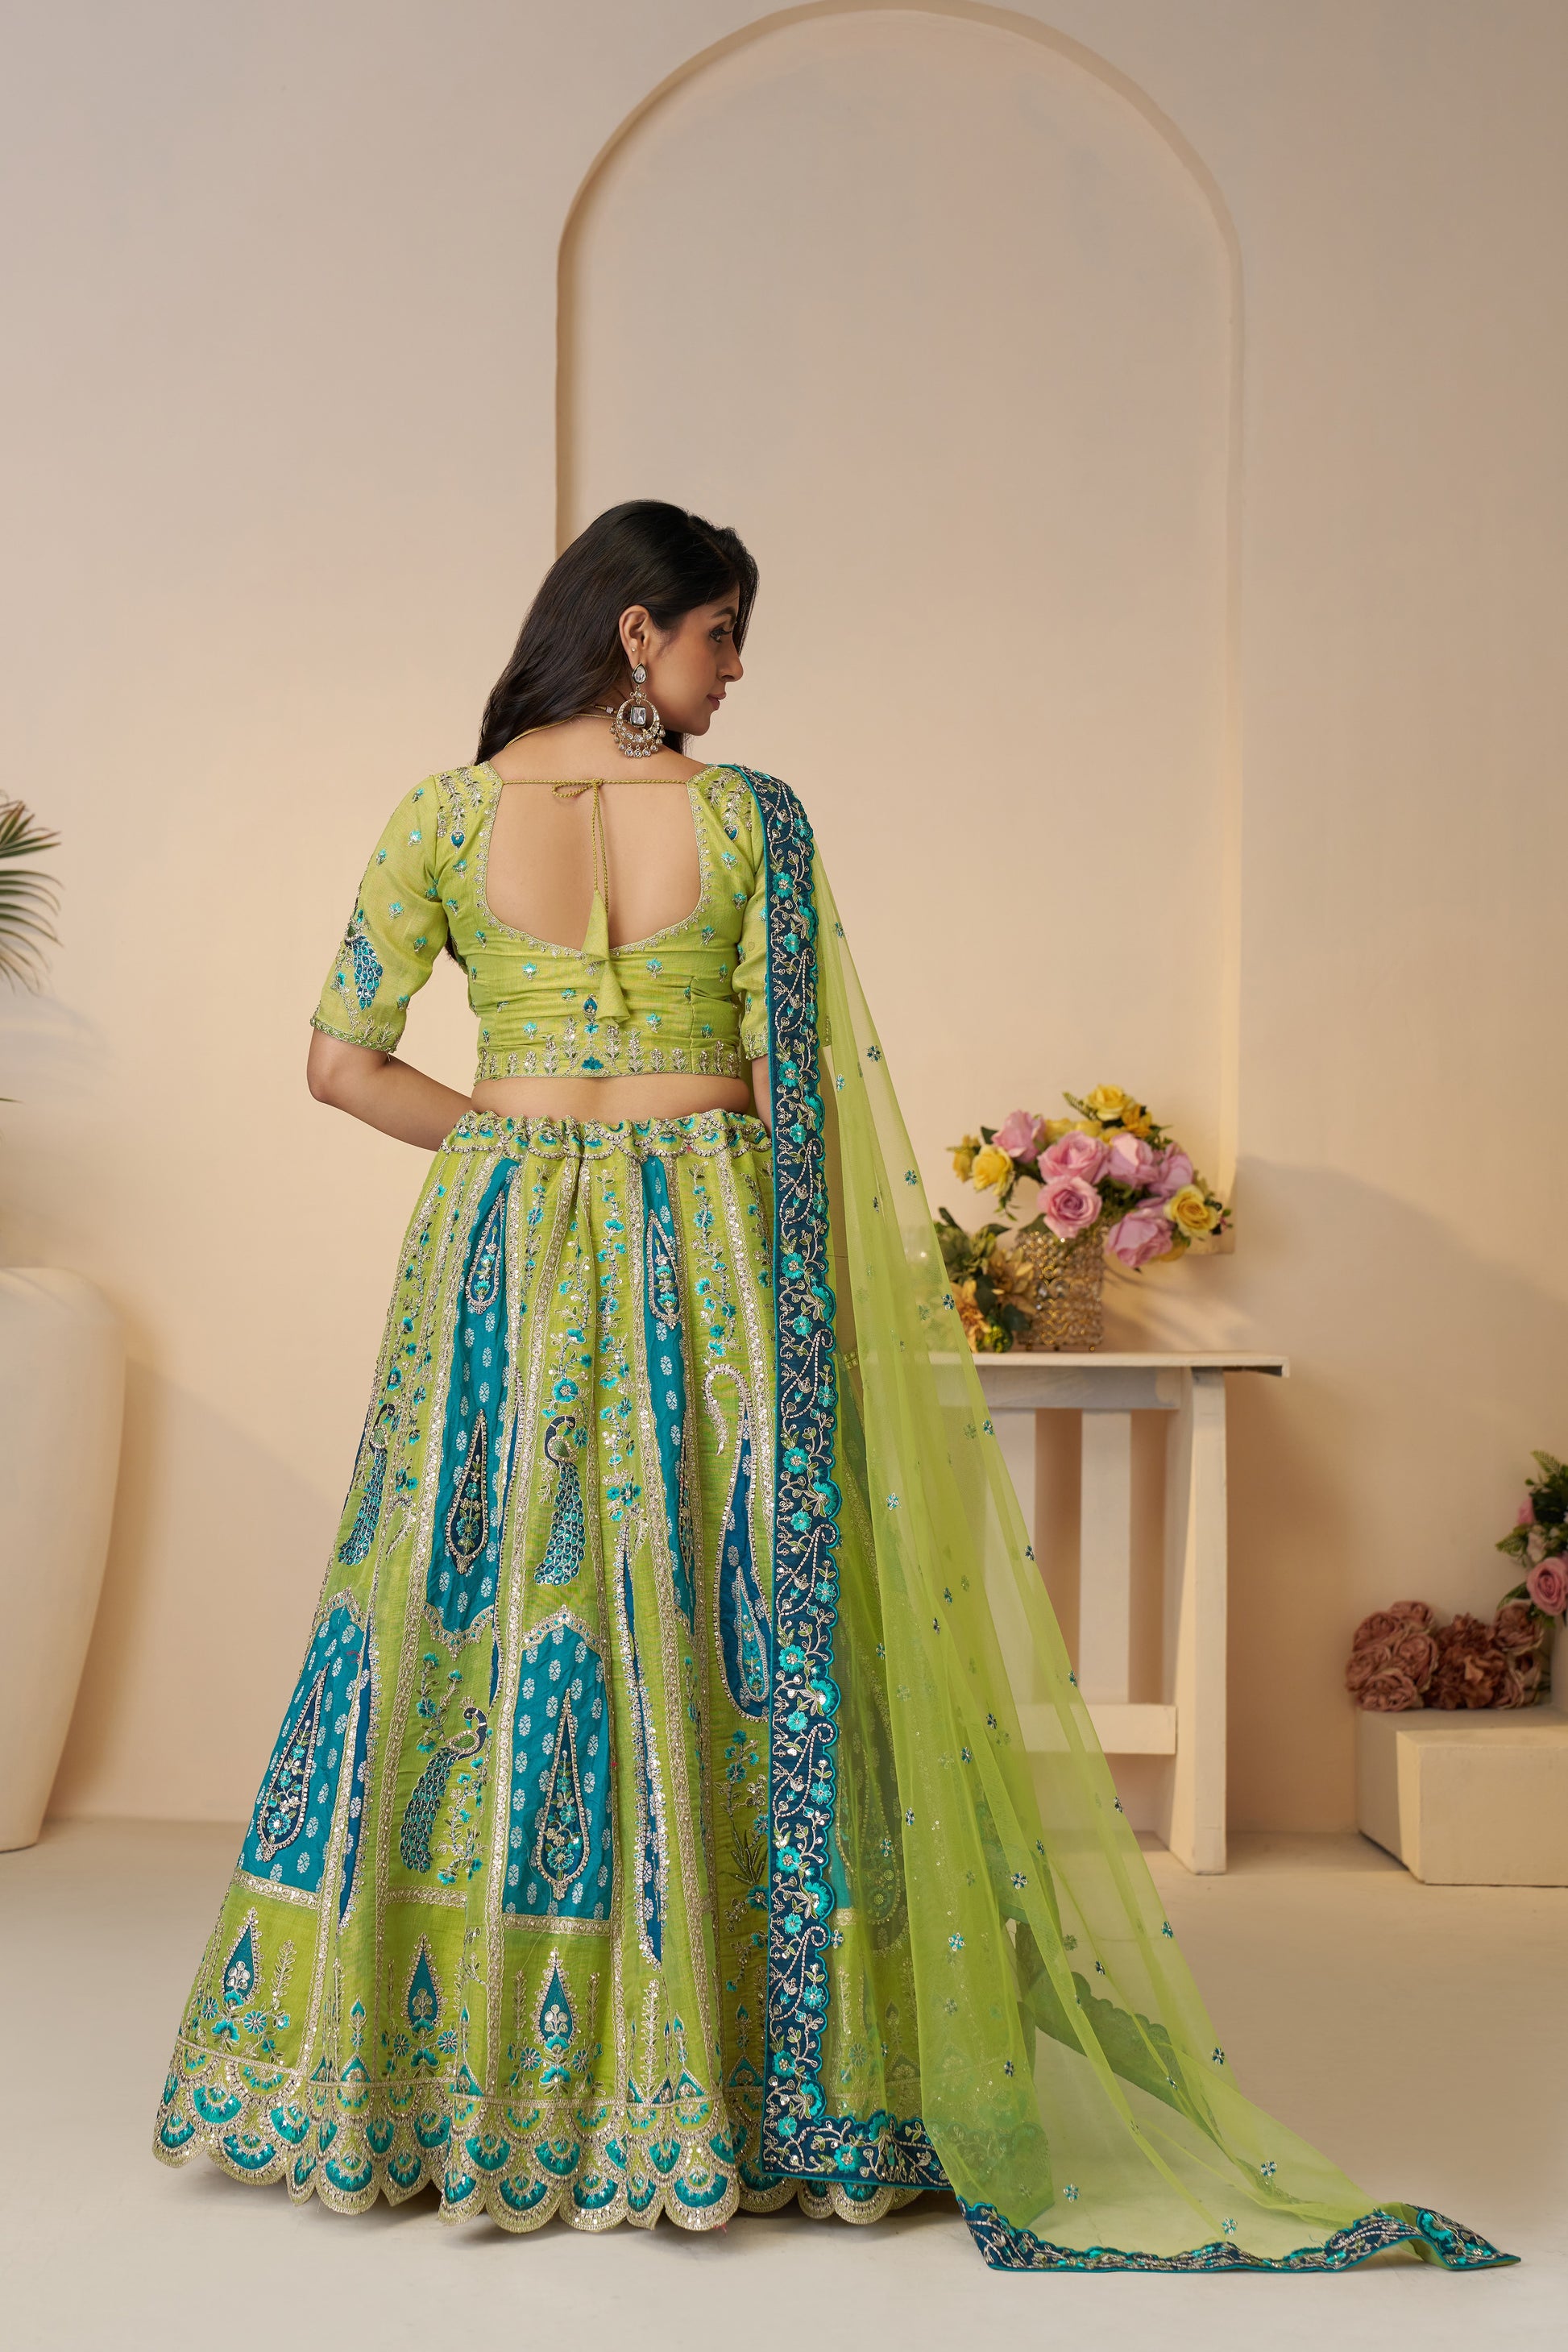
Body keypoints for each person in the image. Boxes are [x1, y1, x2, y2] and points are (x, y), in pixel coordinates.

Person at [155, 500, 1511, 2274]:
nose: (735, 670)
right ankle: (745, 2070)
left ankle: (437, 2072)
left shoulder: (439, 814)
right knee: (730, 1613)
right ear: (636, 632)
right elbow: (804, 1103)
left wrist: (506, 1134)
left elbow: (341, 1063)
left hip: (504, 1251)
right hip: (708, 1249)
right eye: (719, 632)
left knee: (471, 1604)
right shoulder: (748, 822)